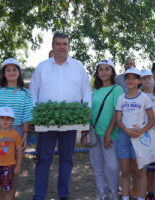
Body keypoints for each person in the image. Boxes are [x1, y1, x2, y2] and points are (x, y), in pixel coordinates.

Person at [29, 33, 92, 200]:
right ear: (52, 46)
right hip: (46, 120)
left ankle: (64, 194)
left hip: (71, 121)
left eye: (64, 44)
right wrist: (35, 111)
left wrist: (86, 110)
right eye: (58, 44)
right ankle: (39, 195)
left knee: (66, 159)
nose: (61, 47)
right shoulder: (42, 66)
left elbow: (86, 90)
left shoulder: (78, 67)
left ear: (69, 46)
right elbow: (33, 90)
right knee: (43, 159)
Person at [0, 58, 33, 199]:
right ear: (3, 73)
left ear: (19, 72)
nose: (11, 73)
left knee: (13, 167)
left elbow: (27, 116)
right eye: (8, 70)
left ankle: (10, 197)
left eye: (14, 70)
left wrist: (25, 135)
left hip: (17, 131)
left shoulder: (26, 93)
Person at [115, 67, 155, 200]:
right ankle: (125, 197)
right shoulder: (121, 98)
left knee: (140, 171)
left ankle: (141, 198)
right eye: (128, 78)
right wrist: (127, 131)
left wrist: (140, 132)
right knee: (125, 171)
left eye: (134, 78)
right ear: (125, 80)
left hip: (140, 137)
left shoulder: (144, 98)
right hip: (124, 136)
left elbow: (152, 120)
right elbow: (118, 120)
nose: (130, 80)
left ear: (139, 81)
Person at [90, 59, 123, 200]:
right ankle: (102, 191)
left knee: (113, 166)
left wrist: (108, 133)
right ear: (97, 72)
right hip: (94, 133)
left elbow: (117, 113)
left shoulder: (117, 89)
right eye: (101, 69)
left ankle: (114, 192)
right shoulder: (95, 91)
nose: (103, 72)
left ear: (112, 71)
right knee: (97, 165)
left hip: (110, 134)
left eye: (107, 69)